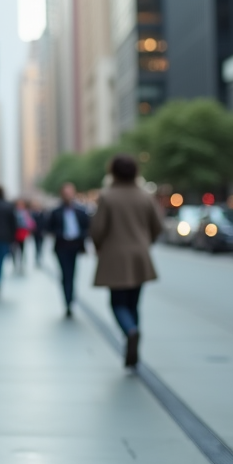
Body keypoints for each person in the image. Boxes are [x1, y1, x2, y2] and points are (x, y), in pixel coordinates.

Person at [91, 155, 161, 368]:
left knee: (117, 302)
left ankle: (130, 332)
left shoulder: (108, 197)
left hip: (115, 256)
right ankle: (133, 337)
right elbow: (158, 225)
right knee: (133, 302)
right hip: (139, 256)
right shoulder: (145, 196)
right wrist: (144, 242)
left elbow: (97, 229)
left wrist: (99, 245)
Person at [48, 183, 91, 319]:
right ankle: (68, 301)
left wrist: (81, 237)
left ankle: (71, 297)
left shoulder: (81, 211)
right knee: (66, 274)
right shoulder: (56, 212)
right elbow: (49, 227)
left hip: (76, 246)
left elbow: (88, 227)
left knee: (72, 274)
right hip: (62, 246)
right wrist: (60, 234)